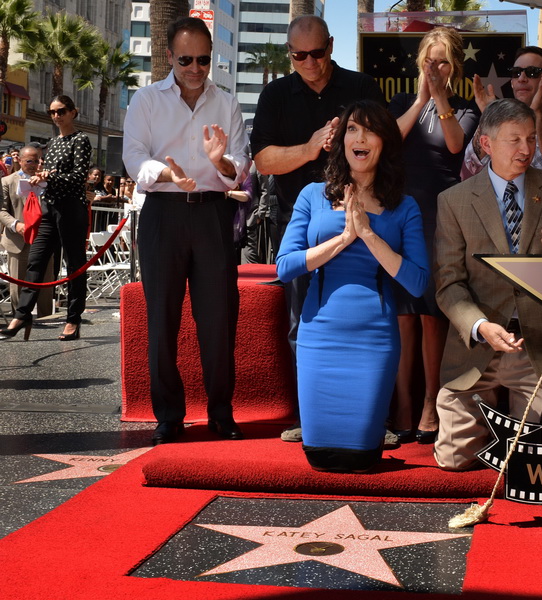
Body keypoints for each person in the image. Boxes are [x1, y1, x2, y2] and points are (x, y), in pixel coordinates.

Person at [250, 14, 384, 443]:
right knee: (302, 321)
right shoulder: (275, 93)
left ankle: (370, 418)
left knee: (367, 317)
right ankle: (314, 417)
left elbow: (386, 145)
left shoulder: (361, 87)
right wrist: (310, 148)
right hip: (298, 216)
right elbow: (263, 161)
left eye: (317, 52)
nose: (309, 61)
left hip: (363, 215)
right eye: (299, 55)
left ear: (331, 45)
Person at [433, 98, 542, 471]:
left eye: (531, 139)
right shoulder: (453, 201)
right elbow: (448, 282)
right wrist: (481, 326)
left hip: (536, 346)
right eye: (514, 140)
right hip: (476, 346)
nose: (526, 149)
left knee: (533, 467)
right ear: (486, 144)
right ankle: (488, 429)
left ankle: (511, 438)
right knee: (453, 461)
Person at [276, 100, 429, 473]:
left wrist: (367, 235)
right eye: (352, 129)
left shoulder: (404, 206)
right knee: (320, 459)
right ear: (341, 140)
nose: (360, 138)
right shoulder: (312, 195)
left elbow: (418, 281)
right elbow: (285, 266)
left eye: (371, 130)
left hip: (374, 340)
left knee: (361, 456)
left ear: (385, 143)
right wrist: (343, 240)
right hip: (318, 337)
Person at [122, 16, 250, 445]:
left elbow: (239, 171)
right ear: (171, 57)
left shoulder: (227, 102)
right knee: (161, 321)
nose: (195, 68)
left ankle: (221, 412)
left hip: (213, 215)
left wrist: (219, 162)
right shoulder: (145, 100)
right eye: (186, 59)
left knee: (219, 320)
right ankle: (169, 417)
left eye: (203, 59)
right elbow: (134, 158)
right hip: (162, 214)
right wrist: (167, 173)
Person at [388, 27, 480, 444]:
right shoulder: (404, 102)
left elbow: (456, 145)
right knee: (403, 314)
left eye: (443, 61)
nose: (436, 68)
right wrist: (423, 98)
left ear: (455, 66)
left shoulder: (464, 108)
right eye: (430, 60)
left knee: (430, 315)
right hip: (400, 214)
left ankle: (430, 404)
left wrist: (440, 97)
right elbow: (389, 142)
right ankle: (402, 405)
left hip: (440, 217)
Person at [1, 95, 91, 341]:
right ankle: (22, 314)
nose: (56, 116)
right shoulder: (52, 143)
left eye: (61, 111)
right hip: (49, 209)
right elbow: (51, 174)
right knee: (36, 261)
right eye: (52, 112)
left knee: (74, 265)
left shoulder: (80, 140)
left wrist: (50, 177)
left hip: (72, 209)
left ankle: (73, 319)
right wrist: (41, 177)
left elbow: (78, 177)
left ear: (73, 112)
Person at [462, 46, 542, 179]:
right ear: (512, 82)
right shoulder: (497, 119)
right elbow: (471, 166)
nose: (522, 78)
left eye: (532, 72)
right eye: (516, 72)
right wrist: (490, 116)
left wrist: (537, 113)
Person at [0, 145, 54, 318]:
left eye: (37, 160)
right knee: (18, 282)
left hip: (43, 238)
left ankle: (45, 317)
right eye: (29, 161)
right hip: (18, 240)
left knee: (46, 280)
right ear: (20, 160)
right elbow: (1, 210)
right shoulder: (7, 182)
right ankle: (20, 318)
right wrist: (16, 225)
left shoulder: (46, 181)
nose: (34, 164)